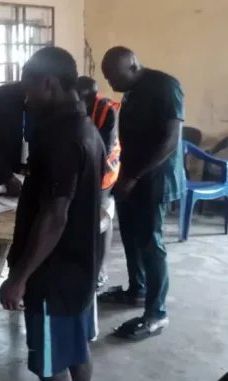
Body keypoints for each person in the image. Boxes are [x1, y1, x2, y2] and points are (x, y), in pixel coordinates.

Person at [0, 47, 105, 381]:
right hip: (78, 271)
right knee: (75, 350)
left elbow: (55, 215)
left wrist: (18, 279)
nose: (26, 98)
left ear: (48, 84)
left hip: (51, 277)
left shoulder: (61, 138)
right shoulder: (87, 129)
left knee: (51, 364)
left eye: (28, 89)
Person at [98, 46, 185, 340]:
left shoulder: (166, 86)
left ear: (133, 65)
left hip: (154, 180)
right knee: (132, 238)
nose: (111, 84)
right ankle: (137, 290)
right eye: (108, 79)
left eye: (114, 77)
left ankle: (156, 314)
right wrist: (123, 176)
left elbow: (170, 141)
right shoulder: (131, 89)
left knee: (151, 243)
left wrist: (133, 176)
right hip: (130, 178)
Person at [77, 76, 120, 290]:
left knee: (102, 216)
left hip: (104, 171)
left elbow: (105, 148)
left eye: (84, 99)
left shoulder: (106, 110)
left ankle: (100, 271)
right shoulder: (70, 106)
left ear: (92, 97)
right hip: (82, 169)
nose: (80, 102)